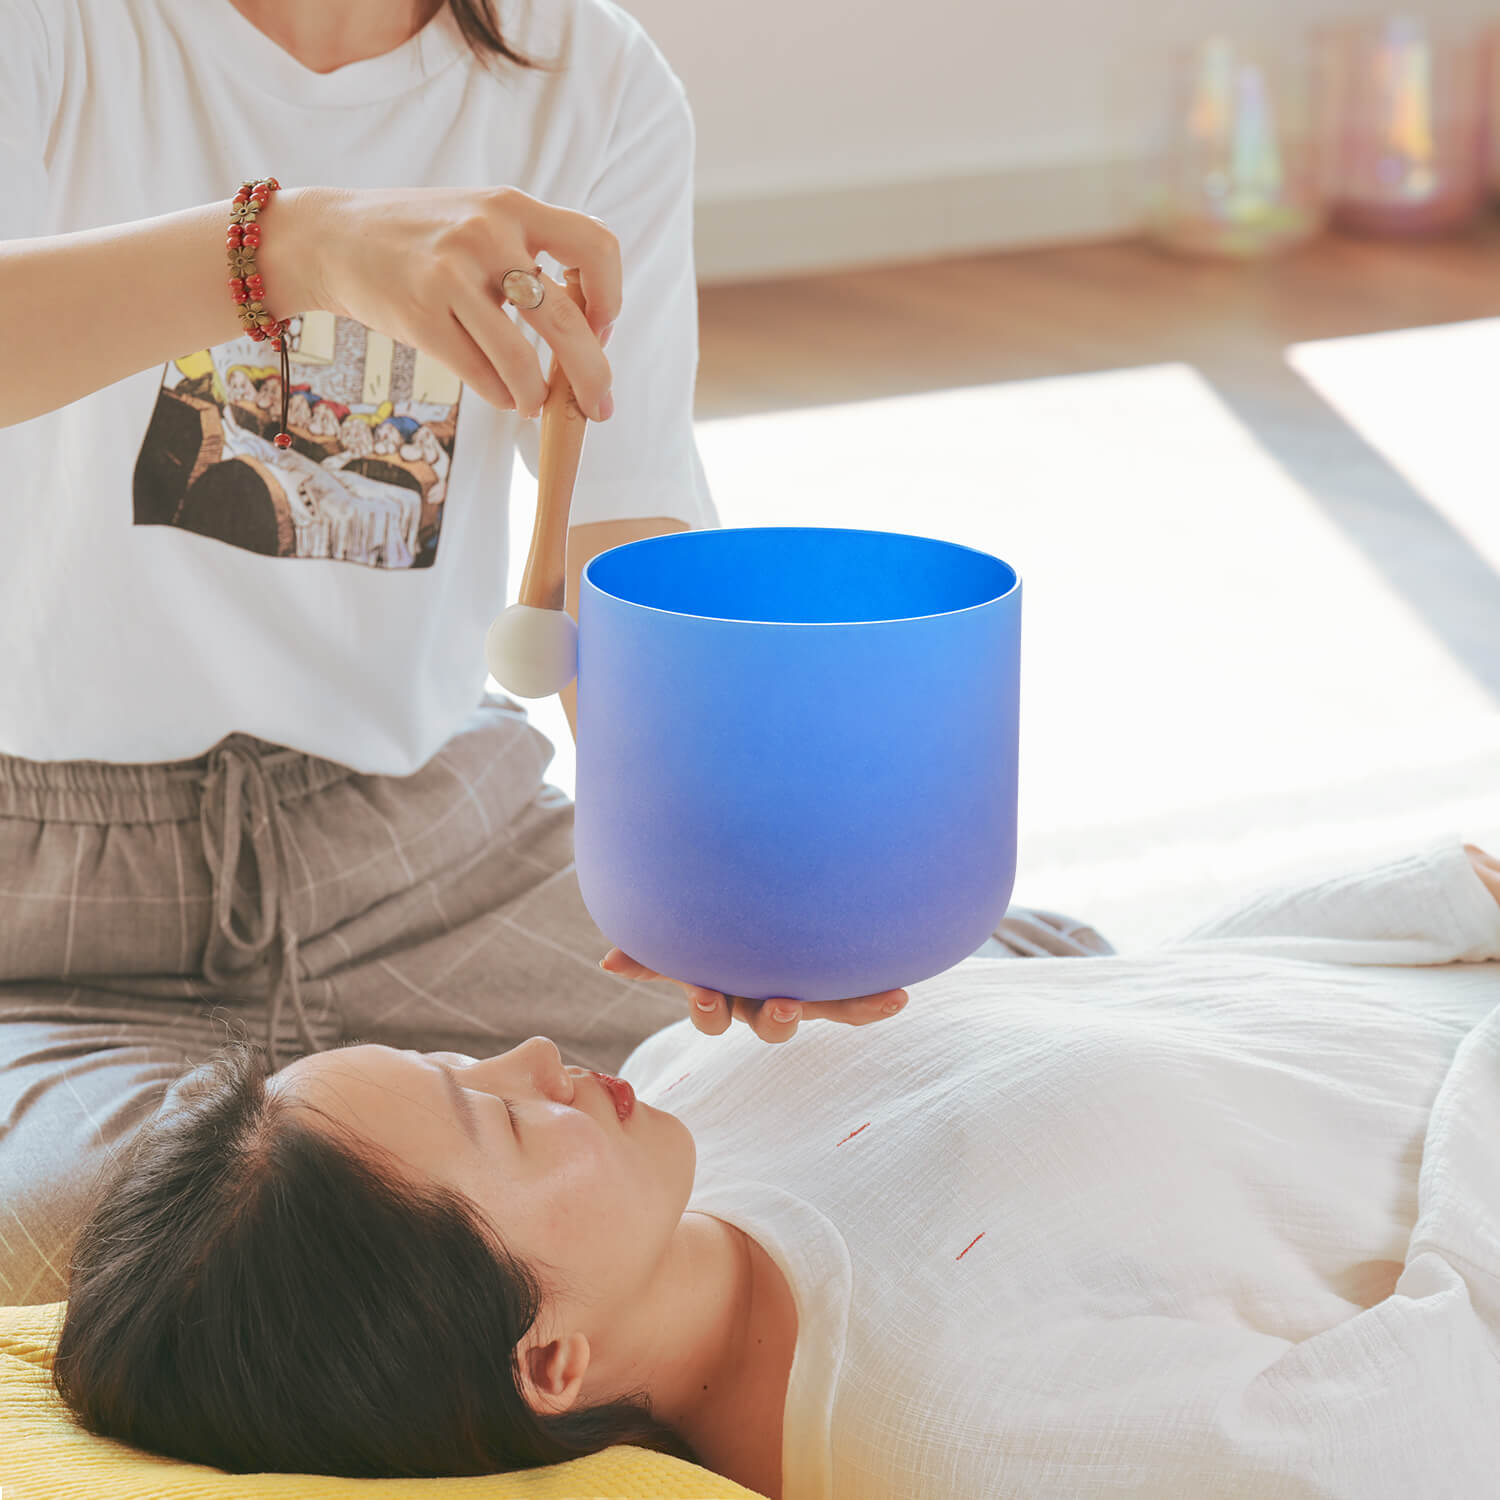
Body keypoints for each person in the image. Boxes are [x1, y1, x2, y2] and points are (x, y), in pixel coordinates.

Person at [1, 0, 963, 1309]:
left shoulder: (593, 74)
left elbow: (614, 539)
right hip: (43, 924)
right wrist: (288, 248)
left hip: (427, 850)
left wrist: (727, 879)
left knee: (933, 1069)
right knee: (142, 1246)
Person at [48, 840, 1500, 1499]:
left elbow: (1166, 998)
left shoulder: (696, 1080)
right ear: (546, 1357)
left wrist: (1445, 893)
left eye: (460, 1067)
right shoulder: (953, 1432)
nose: (540, 1054)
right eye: (496, 1120)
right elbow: (1435, 1426)